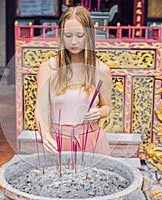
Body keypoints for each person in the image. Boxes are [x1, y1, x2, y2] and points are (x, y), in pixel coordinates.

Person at [35, 5, 112, 155]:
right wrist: (45, 136)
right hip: (57, 140)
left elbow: (107, 107)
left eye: (80, 35)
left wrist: (98, 112)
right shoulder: (47, 68)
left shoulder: (102, 70)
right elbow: (40, 109)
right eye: (68, 36)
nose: (74, 42)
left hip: (91, 138)